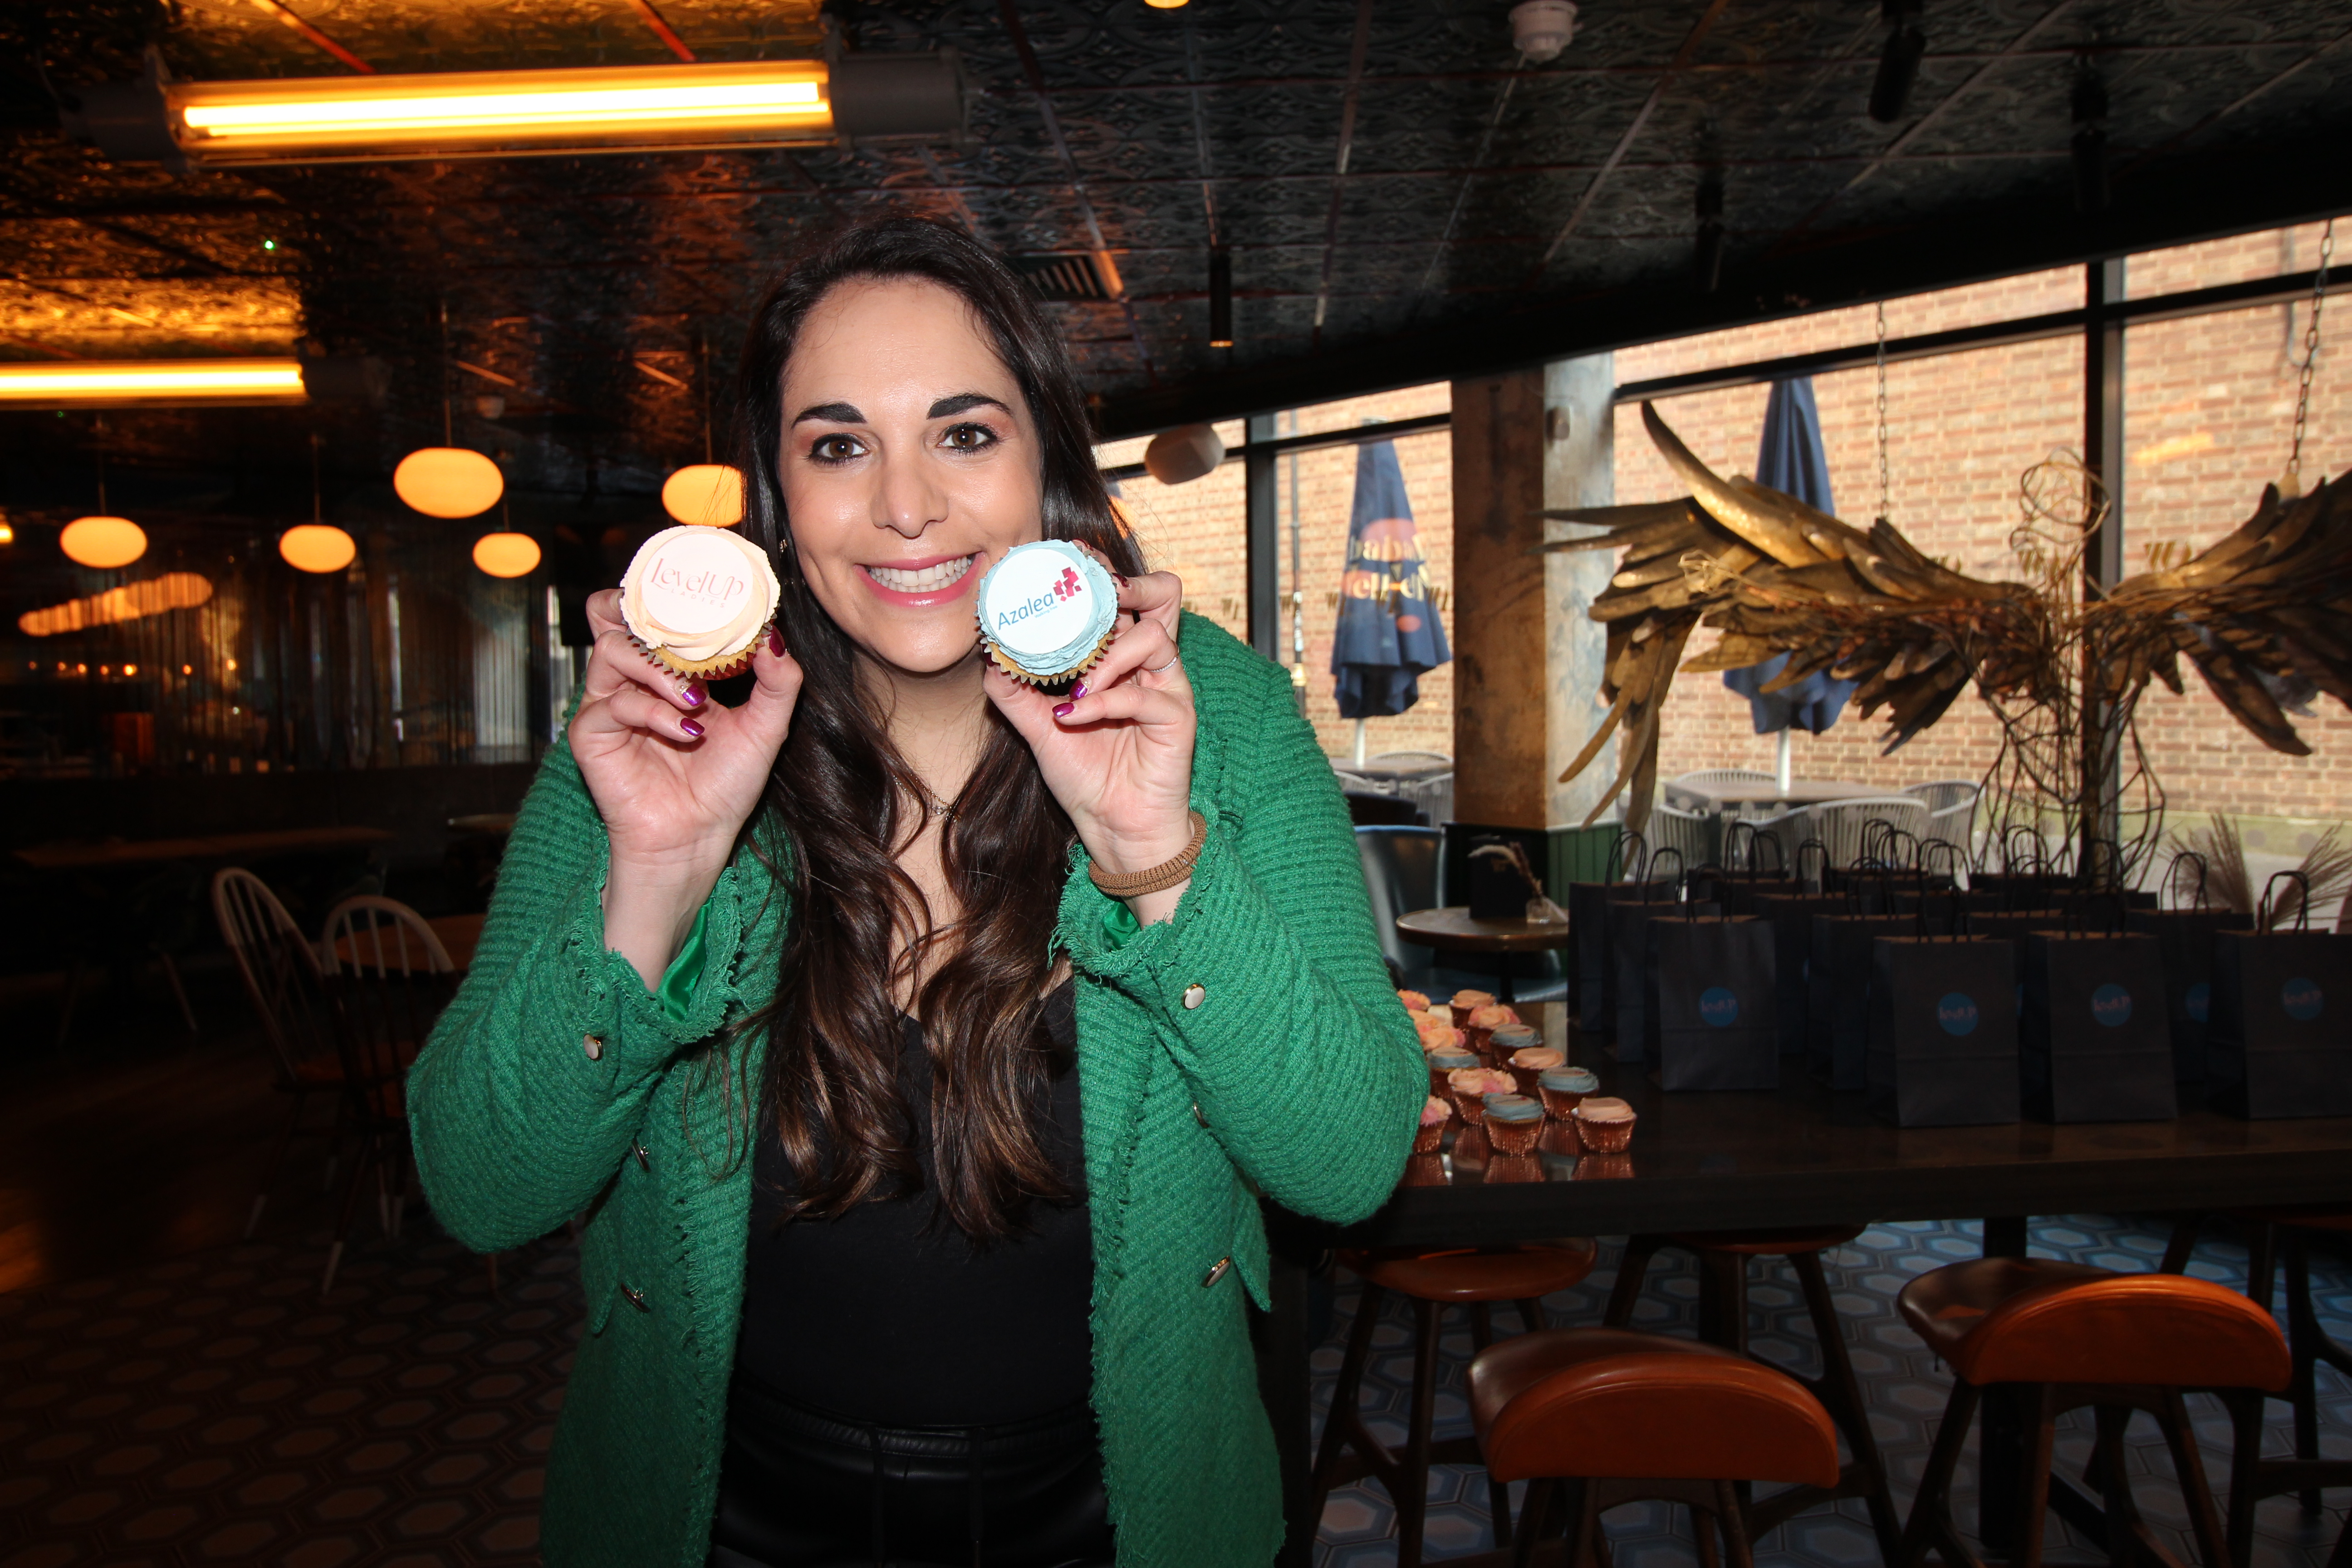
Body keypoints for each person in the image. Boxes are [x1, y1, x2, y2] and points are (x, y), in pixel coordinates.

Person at [407, 215, 1423, 1568]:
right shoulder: (660, 732)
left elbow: (1350, 1165)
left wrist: (1156, 855)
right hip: (725, 1522)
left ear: (1048, 459)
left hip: (1118, 1518)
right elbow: (480, 1188)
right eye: (838, 446)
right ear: (775, 498)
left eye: (964, 433)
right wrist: (654, 881)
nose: (904, 505)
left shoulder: (1219, 715)